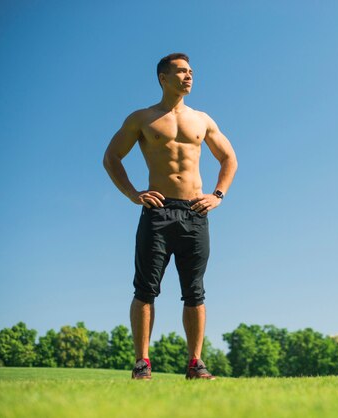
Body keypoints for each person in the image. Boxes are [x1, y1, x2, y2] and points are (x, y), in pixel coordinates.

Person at [103, 52, 237, 380]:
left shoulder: (202, 120)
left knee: (195, 291)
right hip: (158, 212)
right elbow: (111, 157)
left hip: (195, 211)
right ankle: (142, 363)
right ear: (164, 78)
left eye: (191, 71)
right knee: (146, 289)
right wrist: (133, 194)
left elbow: (229, 158)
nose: (189, 77)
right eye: (181, 72)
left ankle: (195, 363)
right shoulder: (142, 118)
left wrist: (218, 196)